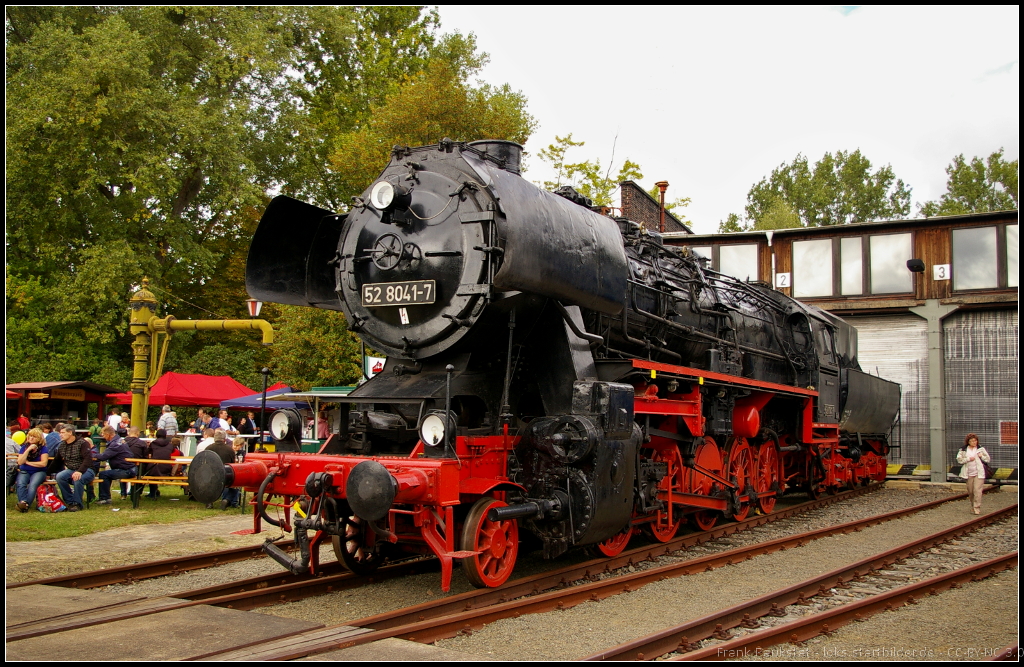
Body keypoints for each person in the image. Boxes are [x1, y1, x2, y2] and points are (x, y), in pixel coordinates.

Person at [93, 426, 137, 504]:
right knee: (107, 474)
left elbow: (104, 456)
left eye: (103, 434)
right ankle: (105, 497)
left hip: (127, 470)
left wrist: (92, 456)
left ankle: (105, 498)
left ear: (108, 434)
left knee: (103, 474)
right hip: (130, 468)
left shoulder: (115, 444)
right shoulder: (119, 440)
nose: (103, 436)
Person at [54, 425, 94, 512]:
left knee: (77, 478)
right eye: (60, 433)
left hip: (87, 469)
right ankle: (70, 501)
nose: (60, 435)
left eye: (63, 433)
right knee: (60, 476)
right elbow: (57, 461)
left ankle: (77, 503)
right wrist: (47, 473)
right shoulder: (62, 445)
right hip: (71, 469)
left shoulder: (82, 443)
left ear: (70, 433)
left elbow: (88, 459)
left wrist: (80, 471)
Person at [15, 428, 49, 512]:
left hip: (39, 471)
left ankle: (26, 505)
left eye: (34, 436)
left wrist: (28, 463)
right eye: (30, 436)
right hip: (24, 471)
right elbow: (20, 462)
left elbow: (43, 463)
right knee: (21, 483)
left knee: (32, 485)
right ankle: (23, 503)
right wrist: (28, 450)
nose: (31, 438)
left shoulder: (43, 448)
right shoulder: (24, 448)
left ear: (39, 438)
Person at [956, 433, 991, 515]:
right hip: (968, 473)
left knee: (977, 490)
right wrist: (968, 459)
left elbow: (987, 459)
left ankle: (977, 507)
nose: (974, 442)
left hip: (979, 473)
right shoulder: (963, 450)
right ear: (968, 442)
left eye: (975, 441)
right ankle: (973, 505)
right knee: (971, 491)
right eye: (972, 441)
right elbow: (959, 460)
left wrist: (981, 456)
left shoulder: (980, 449)